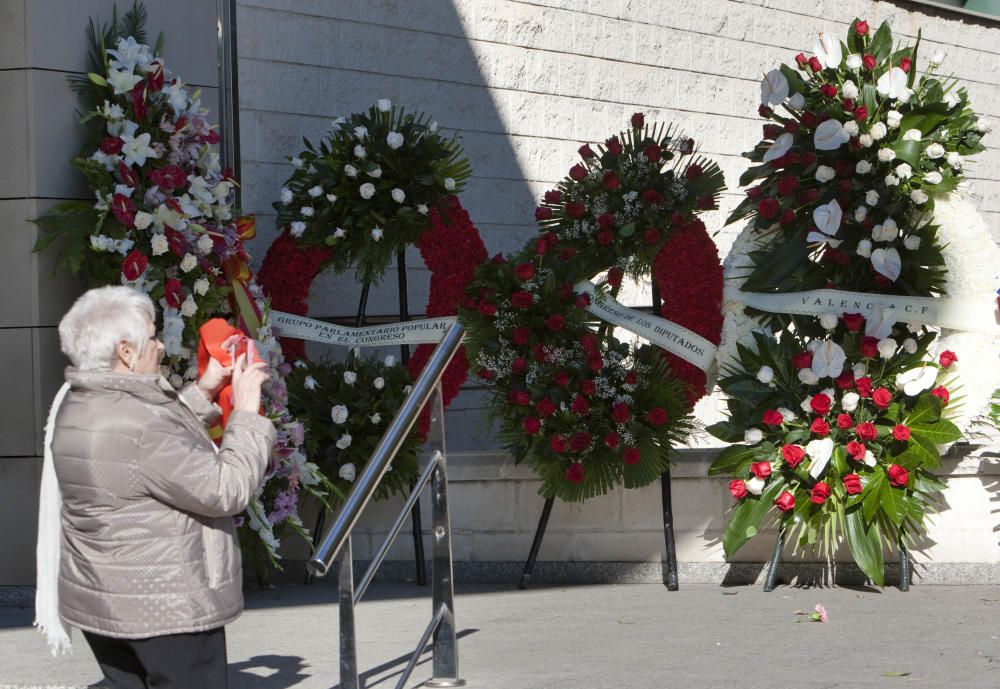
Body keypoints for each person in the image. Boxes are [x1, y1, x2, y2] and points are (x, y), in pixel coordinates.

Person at [35, 285, 275, 689]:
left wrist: (203, 392)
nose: (161, 345)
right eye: (152, 336)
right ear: (126, 352)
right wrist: (248, 415)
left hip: (109, 602)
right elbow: (226, 489)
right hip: (166, 608)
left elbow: (146, 453)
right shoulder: (143, 425)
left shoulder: (78, 402)